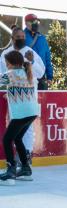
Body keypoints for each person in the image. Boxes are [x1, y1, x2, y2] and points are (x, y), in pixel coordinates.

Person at [0, 26, 45, 165]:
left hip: (22, 105)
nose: (21, 39)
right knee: (18, 136)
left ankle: (14, 165)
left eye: (22, 37)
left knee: (9, 138)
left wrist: (31, 62)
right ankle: (25, 166)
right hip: (28, 106)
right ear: (12, 38)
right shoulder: (23, 71)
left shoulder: (29, 54)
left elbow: (41, 72)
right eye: (18, 37)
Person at [0, 51, 39, 184]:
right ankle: (25, 169)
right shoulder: (26, 72)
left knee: (6, 139)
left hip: (22, 113)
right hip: (32, 112)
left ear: (10, 63)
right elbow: (21, 89)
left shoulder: (9, 75)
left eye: (6, 63)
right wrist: (9, 94)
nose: (6, 65)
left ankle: (11, 171)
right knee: (17, 138)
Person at [24, 13, 53, 90]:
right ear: (26, 23)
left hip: (41, 77)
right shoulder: (21, 37)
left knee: (43, 100)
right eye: (33, 22)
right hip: (26, 77)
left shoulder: (42, 38)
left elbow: (47, 58)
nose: (36, 24)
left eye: (37, 22)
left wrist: (49, 76)